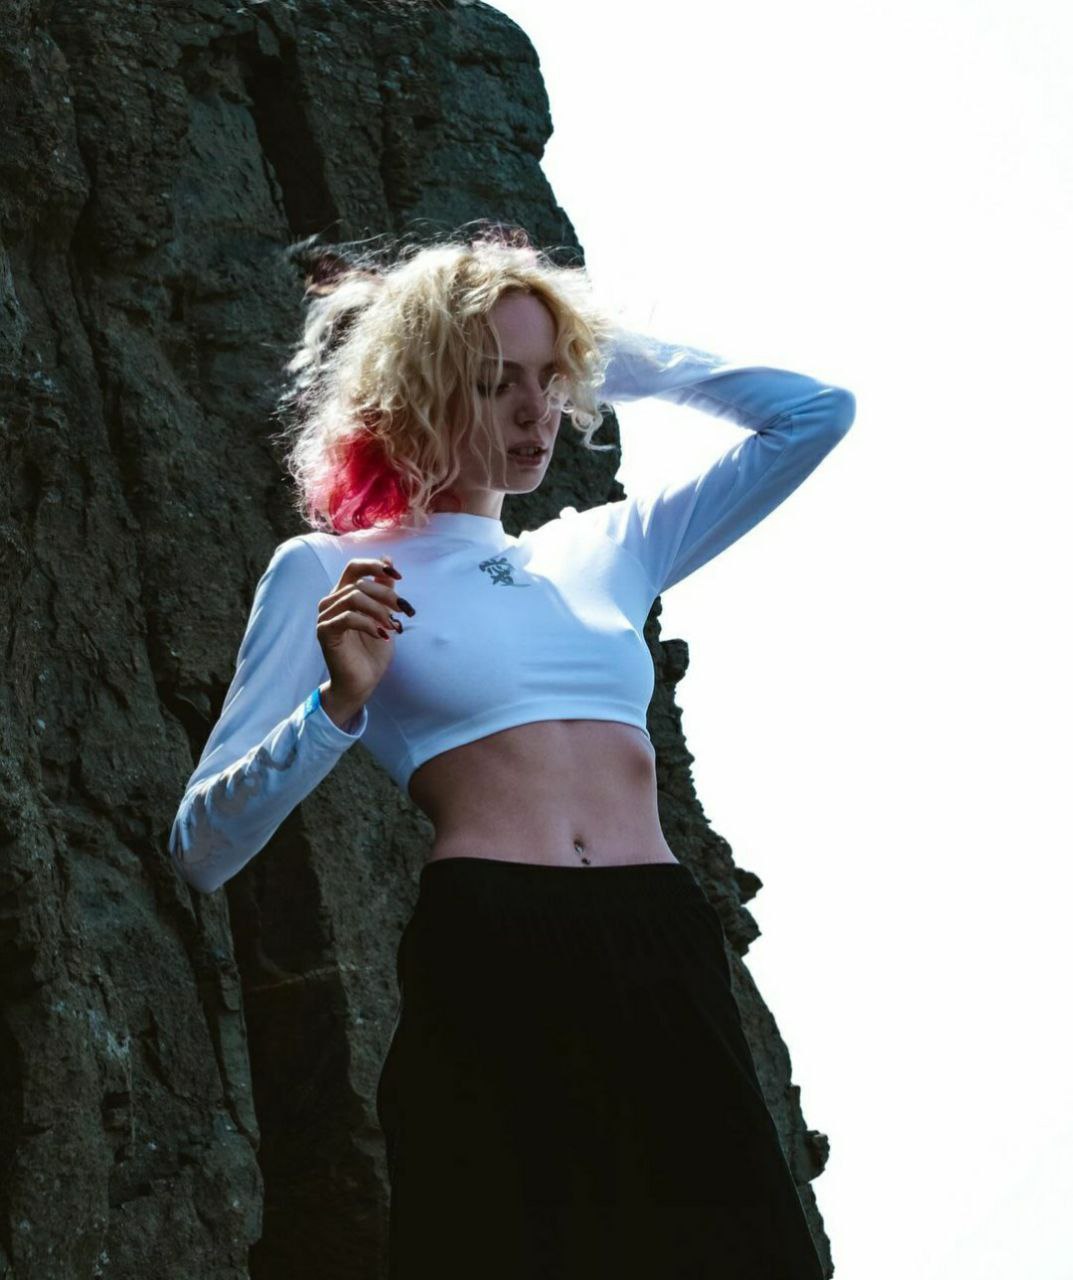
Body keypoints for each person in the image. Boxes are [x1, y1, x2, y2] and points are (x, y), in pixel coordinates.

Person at [168, 227, 855, 1279]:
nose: (536, 414)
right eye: (495, 383)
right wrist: (335, 705)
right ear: (419, 393)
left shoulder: (606, 548)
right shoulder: (330, 570)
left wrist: (594, 349)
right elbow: (202, 845)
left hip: (660, 935)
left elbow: (812, 413)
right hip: (494, 940)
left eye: (551, 380)